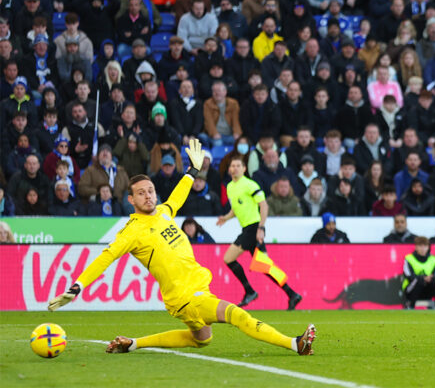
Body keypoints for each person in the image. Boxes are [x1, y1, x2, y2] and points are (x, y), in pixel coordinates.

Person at [47, 139, 316, 356]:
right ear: (130, 200)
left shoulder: (164, 211)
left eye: (151, 190)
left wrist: (193, 170)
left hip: (194, 289)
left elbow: (179, 193)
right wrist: (77, 287)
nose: (148, 195)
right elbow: (106, 258)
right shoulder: (131, 232)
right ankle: (295, 344)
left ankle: (134, 343)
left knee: (202, 339)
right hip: (186, 296)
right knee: (237, 314)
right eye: (141, 192)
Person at [216, 156, 303, 310]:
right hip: (248, 229)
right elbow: (236, 210)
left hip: (254, 228)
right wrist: (226, 218)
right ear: (229, 169)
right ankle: (292, 294)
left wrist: (261, 228)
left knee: (229, 258)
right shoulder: (230, 187)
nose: (234, 168)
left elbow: (264, 206)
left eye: (238, 165)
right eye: (232, 165)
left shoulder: (250, 184)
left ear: (244, 169)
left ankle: (250, 291)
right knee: (265, 266)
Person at [402, 236, 435, 309]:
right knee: (418, 280)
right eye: (420, 246)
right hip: (411, 289)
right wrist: (423, 278)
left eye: (425, 246)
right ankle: (411, 305)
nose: (423, 249)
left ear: (428, 247)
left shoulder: (434, 259)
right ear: (416, 247)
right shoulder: (409, 258)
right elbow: (409, 275)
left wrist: (428, 278)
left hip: (427, 289)